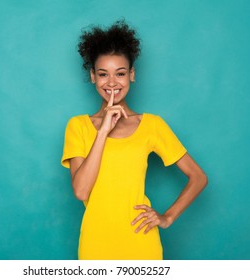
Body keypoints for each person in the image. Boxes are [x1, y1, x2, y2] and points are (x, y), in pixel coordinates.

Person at [61, 20, 207, 260]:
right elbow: (81, 190)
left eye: (120, 73)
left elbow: (198, 177)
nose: (111, 83)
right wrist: (102, 132)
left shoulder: (151, 125)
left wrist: (167, 217)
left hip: (142, 244)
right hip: (95, 245)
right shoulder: (78, 126)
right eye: (102, 74)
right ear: (92, 77)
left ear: (131, 74)